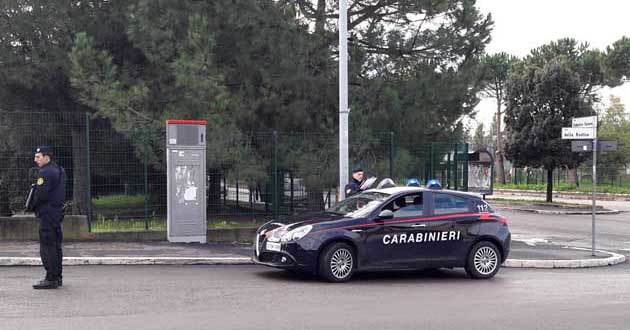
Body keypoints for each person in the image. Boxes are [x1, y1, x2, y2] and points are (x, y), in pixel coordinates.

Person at [31, 146, 66, 290]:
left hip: (47, 212)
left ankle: (50, 278)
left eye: (38, 157)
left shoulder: (45, 172)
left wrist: (33, 206)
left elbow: (41, 195)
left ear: (47, 157)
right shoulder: (59, 170)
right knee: (56, 245)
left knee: (47, 245)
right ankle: (57, 276)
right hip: (57, 212)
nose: (35, 160)